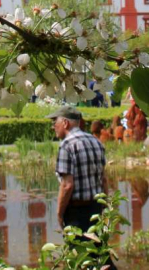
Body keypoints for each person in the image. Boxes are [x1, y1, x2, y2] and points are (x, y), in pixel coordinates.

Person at [50, 107, 115, 269]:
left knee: (82, 259)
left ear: (65, 123)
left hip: (76, 212)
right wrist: (105, 206)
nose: (53, 127)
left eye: (54, 122)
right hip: (95, 208)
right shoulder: (95, 141)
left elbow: (67, 185)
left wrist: (59, 213)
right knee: (100, 255)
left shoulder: (66, 145)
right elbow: (103, 179)